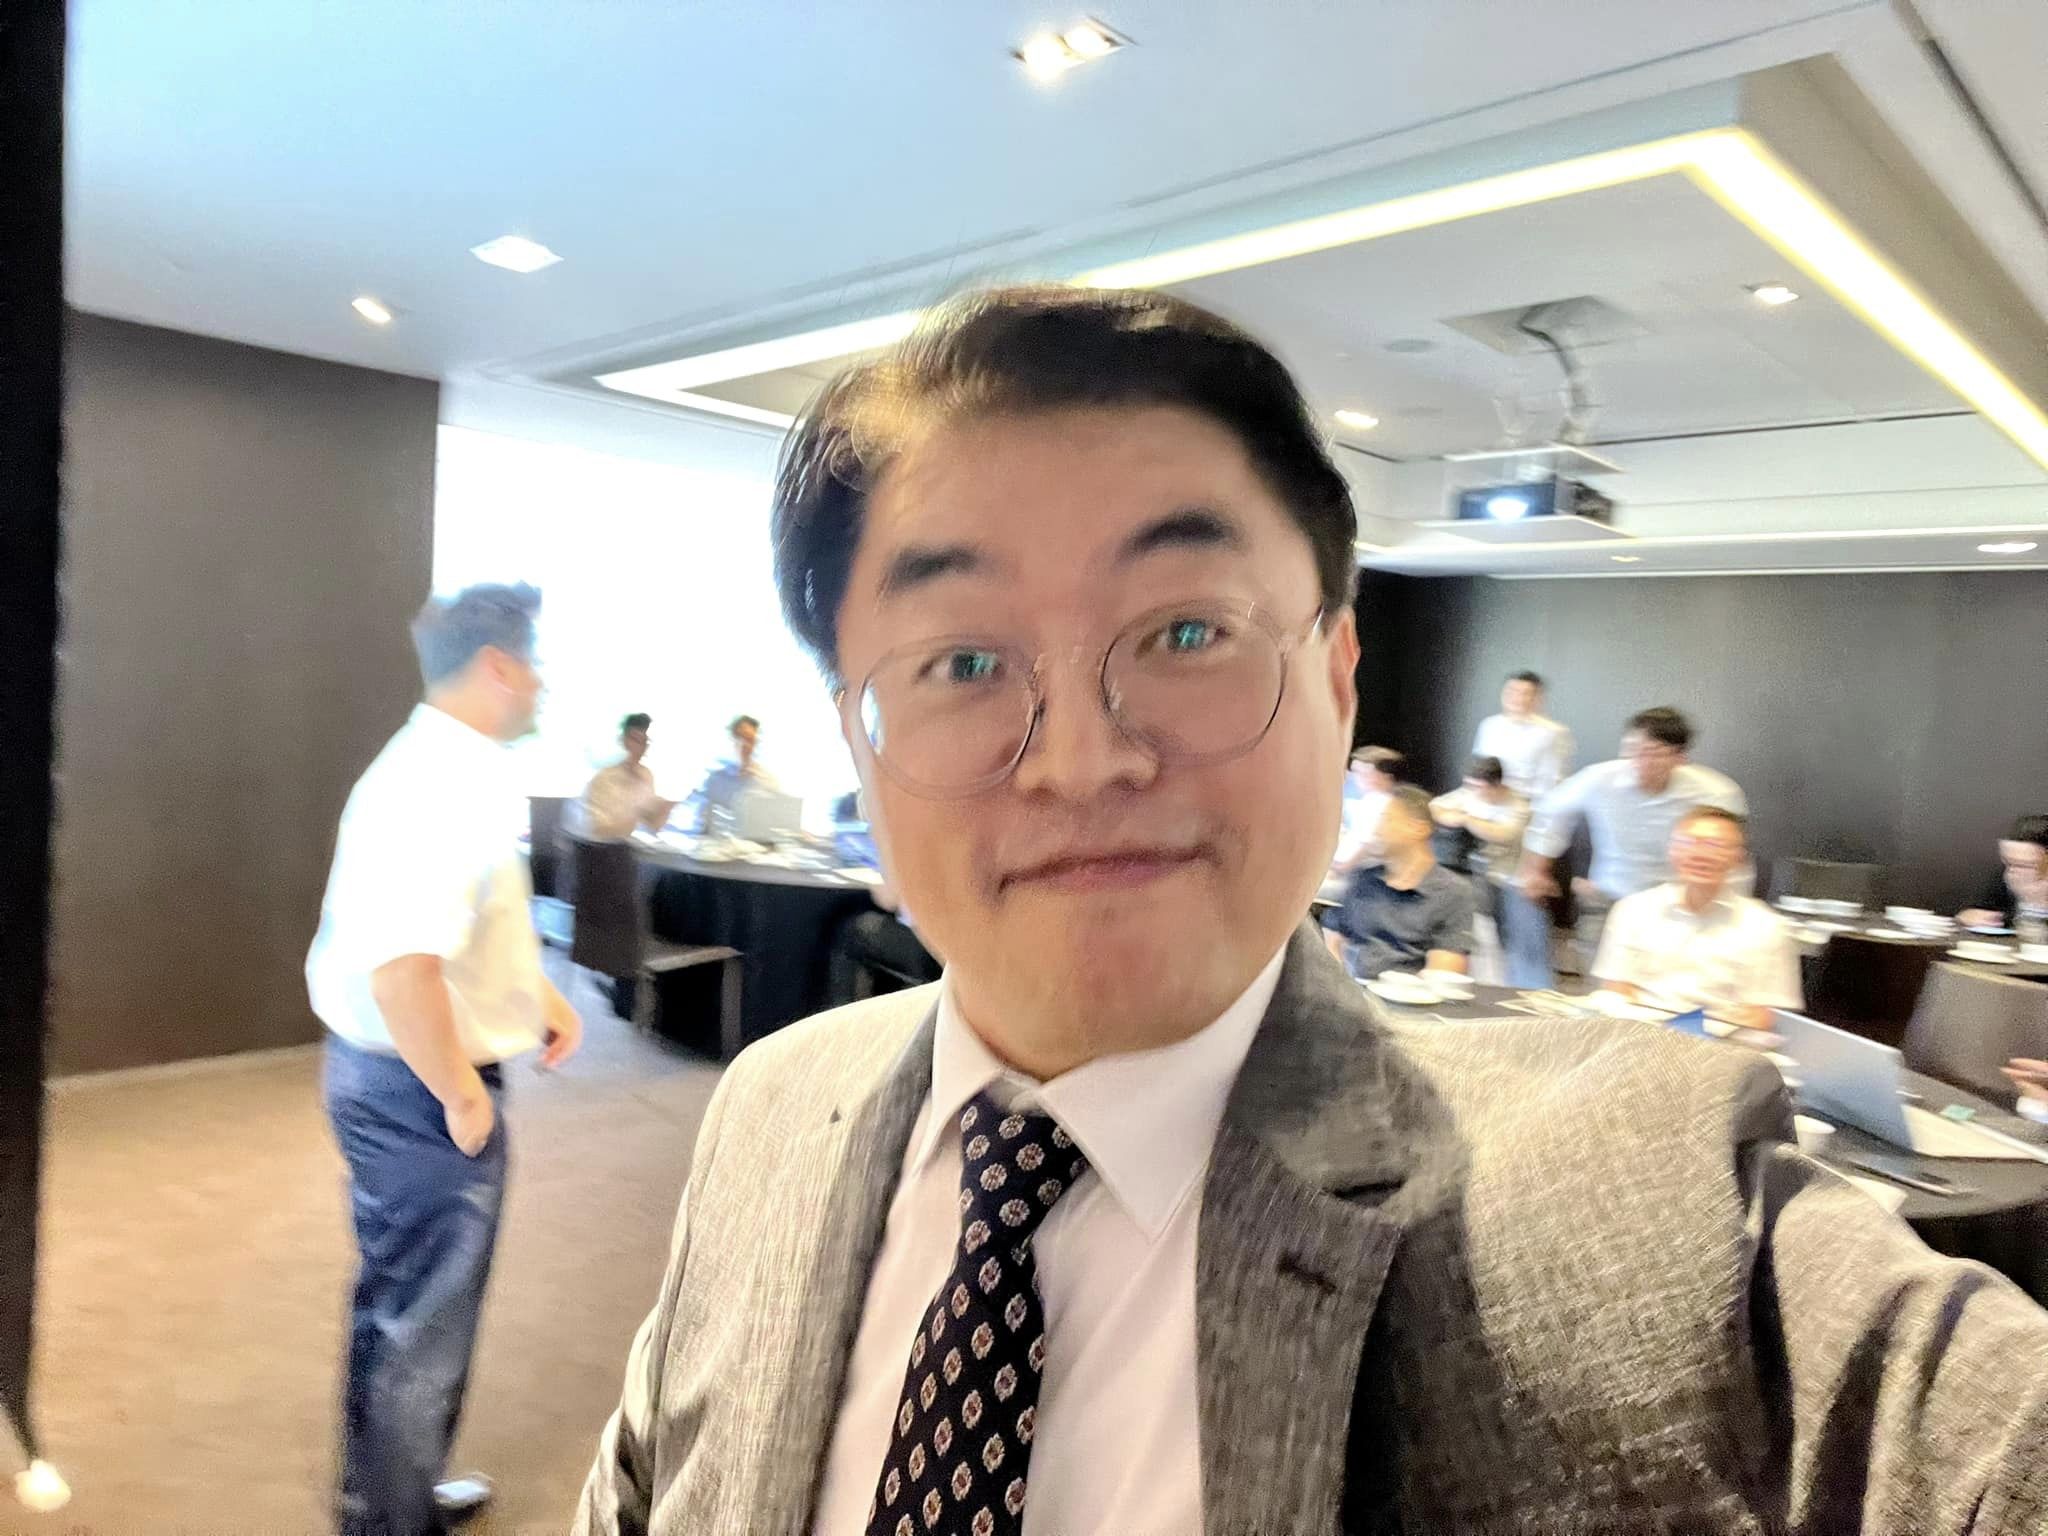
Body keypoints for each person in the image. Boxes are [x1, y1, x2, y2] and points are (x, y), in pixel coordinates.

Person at [574, 286, 2048, 1536]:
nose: (1082, 762)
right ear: (857, 734)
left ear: (1340, 682)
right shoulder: (774, 1112)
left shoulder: (1660, 1214)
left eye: (1186, 631)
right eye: (961, 663)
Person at [308, 583, 583, 1536]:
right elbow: (402, 973)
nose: (542, 682)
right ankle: (391, 1520)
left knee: (397, 1304)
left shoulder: (435, 765)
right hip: (416, 1091)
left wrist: (533, 995)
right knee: (424, 1325)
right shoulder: (443, 788)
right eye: (535, 663)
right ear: (499, 667)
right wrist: (463, 1098)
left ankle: (385, 1496)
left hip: (389, 1077)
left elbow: (457, 929)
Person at [1507, 706, 1746, 987]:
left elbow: (1733, 853)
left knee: (1670, 989)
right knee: (1603, 991)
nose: (1640, 761)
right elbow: (1551, 813)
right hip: (1609, 900)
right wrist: (1536, 870)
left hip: (1677, 908)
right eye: (1634, 749)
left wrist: (1733, 910)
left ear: (1680, 757)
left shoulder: (1714, 792)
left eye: (1654, 753)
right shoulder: (1600, 779)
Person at [1592, 806, 1802, 1029]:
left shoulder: (1765, 926)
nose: (1699, 854)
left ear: (1738, 857)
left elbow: (1762, 1016)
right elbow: (1617, 990)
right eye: (1687, 842)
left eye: (1715, 845)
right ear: (1671, 850)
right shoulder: (1632, 910)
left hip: (1722, 1042)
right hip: (1641, 1035)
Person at [1321, 786, 1473, 979]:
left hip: (1411, 994)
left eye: (1386, 820)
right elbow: (1332, 938)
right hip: (1353, 990)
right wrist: (1338, 983)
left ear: (1418, 829)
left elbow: (1443, 976)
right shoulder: (1363, 879)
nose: (1376, 830)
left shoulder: (1451, 893)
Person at [1472, 670, 1572, 798]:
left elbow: (1550, 786)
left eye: (1525, 693)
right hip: (1482, 797)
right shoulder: (1488, 725)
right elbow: (1478, 769)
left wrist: (1504, 793)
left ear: (1538, 698)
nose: (1516, 698)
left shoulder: (1553, 733)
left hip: (1523, 802)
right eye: (1511, 691)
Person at [577, 712, 678, 839]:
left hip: (632, 845)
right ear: (622, 740)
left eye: (644, 742)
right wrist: (637, 817)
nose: (639, 748)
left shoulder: (645, 775)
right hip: (605, 848)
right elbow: (598, 831)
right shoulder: (604, 779)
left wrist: (664, 810)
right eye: (635, 740)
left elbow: (652, 824)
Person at [1428, 753, 1527, 880]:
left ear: (1496, 784)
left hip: (1499, 875)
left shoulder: (1519, 805)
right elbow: (1434, 807)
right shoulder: (1470, 792)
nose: (1471, 790)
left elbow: (1504, 835)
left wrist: (1466, 820)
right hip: (1466, 868)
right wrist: (1456, 819)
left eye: (1478, 786)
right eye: (1469, 785)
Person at [1957, 814, 2048, 929]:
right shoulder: (2005, 875)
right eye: (2009, 863)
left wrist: (2038, 906)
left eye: (2026, 865)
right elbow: (1974, 911)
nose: (2014, 872)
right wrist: (1970, 916)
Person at [691, 713, 776, 832]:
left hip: (754, 842)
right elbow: (702, 823)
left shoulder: (767, 782)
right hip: (718, 840)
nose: (744, 744)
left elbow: (776, 825)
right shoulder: (715, 780)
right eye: (739, 738)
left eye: (749, 739)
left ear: (755, 743)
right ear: (732, 740)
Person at [1330, 745, 1401, 872]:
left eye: (1363, 773)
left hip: (1365, 873)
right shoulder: (1370, 800)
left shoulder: (1381, 804)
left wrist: (1340, 866)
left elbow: (1365, 846)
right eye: (1355, 772)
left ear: (1384, 776)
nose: (1355, 778)